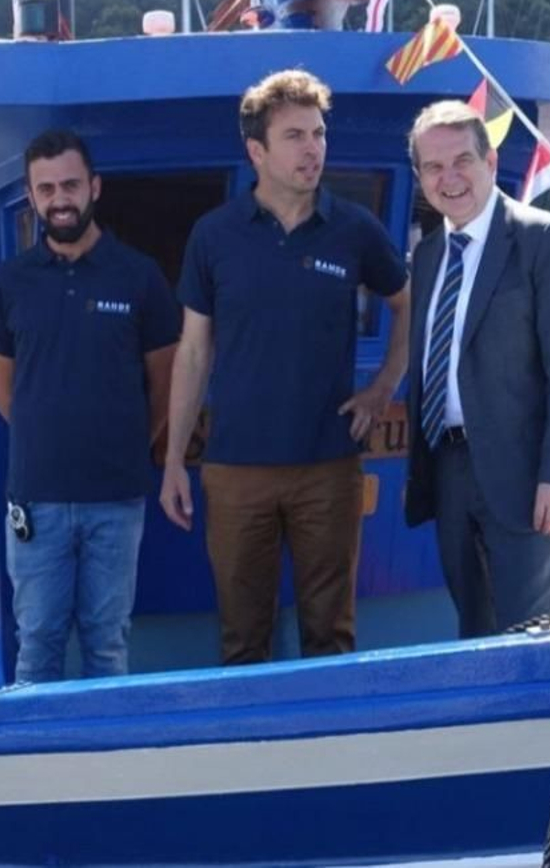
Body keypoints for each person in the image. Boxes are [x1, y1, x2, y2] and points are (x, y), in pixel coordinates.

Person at [160, 69, 411, 665]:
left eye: (319, 133)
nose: (313, 149)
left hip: (329, 465)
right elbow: (194, 352)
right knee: (243, 637)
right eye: (295, 135)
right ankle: (251, 755)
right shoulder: (214, 236)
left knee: (332, 635)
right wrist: (173, 459)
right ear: (257, 151)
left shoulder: (353, 229)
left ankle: (332, 756)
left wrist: (382, 388)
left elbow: (407, 304)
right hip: (235, 469)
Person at [0, 129, 181, 683]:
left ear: (94, 186)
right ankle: (31, 766)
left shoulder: (139, 276)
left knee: (107, 642)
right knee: (37, 641)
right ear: (32, 195)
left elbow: (164, 381)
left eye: (70, 184)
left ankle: (107, 770)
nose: (59, 199)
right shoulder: (8, 282)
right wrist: (51, 438)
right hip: (37, 499)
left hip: (116, 498)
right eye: (45, 189)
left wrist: (125, 442)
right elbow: (2, 387)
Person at [402, 100, 550, 637]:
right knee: (473, 629)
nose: (450, 178)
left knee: (533, 632)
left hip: (526, 475)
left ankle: (548, 726)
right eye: (433, 167)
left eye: (462, 160)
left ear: (490, 161)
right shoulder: (428, 256)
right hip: (448, 469)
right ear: (419, 176)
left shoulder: (542, 237)